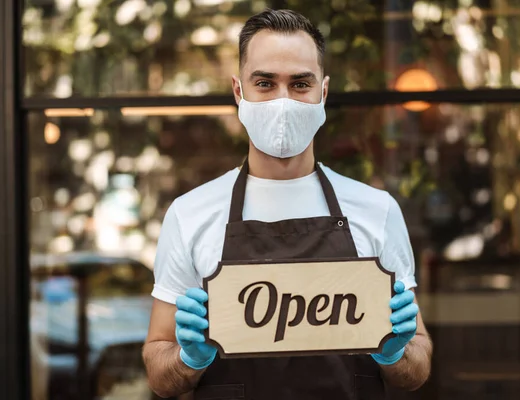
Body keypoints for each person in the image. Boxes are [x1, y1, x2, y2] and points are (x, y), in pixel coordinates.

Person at [143, 8, 432, 399]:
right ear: (238, 90)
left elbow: (417, 365)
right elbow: (159, 371)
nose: (283, 101)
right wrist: (188, 359)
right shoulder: (189, 214)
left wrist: (395, 352)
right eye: (264, 83)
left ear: (323, 93)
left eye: (300, 84)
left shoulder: (376, 210)